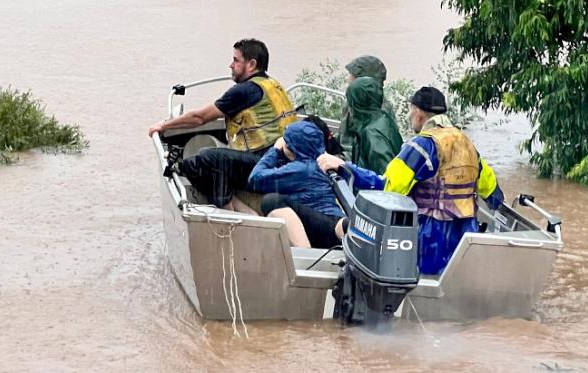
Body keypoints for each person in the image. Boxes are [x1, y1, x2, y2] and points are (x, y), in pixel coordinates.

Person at [318, 86, 504, 275]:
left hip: (431, 237)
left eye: (410, 109)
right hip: (465, 235)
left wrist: (344, 167)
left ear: (418, 113)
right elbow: (493, 193)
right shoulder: (467, 144)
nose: (408, 115)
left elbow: (387, 188)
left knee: (423, 287)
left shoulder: (421, 146)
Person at [147, 39, 297, 213]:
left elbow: (199, 118)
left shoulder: (245, 91)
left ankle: (226, 210)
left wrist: (163, 125)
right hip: (284, 161)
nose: (230, 65)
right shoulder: (273, 85)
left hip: (265, 164)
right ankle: (241, 208)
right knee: (211, 160)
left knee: (208, 158)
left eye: (235, 60)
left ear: (252, 64)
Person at [247, 120, 344, 248]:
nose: (283, 145)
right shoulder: (319, 163)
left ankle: (306, 256)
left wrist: (275, 150)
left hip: (326, 229)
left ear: (294, 149)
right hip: (329, 223)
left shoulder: (301, 169)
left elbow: (255, 179)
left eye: (286, 143)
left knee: (272, 201)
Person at [339, 56, 398, 153]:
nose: (347, 79)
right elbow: (344, 135)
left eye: (351, 75)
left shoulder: (380, 111)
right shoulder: (353, 102)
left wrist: (343, 163)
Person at [344, 76, 403, 175]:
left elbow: (384, 179)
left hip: (373, 190)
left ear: (356, 103)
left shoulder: (372, 133)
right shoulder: (384, 119)